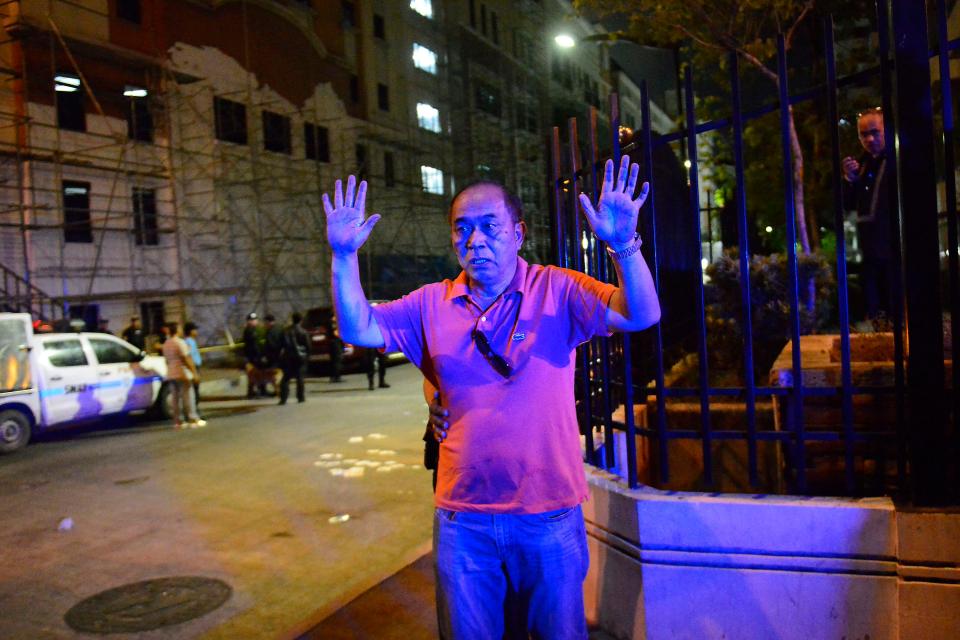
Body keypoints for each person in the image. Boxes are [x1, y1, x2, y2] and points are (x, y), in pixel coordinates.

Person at [322, 159, 660, 640]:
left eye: (489, 227)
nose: (475, 240)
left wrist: (623, 243)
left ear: (518, 234)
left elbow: (641, 314)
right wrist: (342, 257)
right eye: (462, 230)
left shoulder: (558, 289)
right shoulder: (429, 303)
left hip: (549, 513)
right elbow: (357, 328)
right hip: (464, 521)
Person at [842, 107, 893, 320]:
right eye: (864, 134)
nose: (870, 139)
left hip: (891, 247)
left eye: (875, 132)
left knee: (894, 304)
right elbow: (847, 209)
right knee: (872, 309)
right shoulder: (859, 165)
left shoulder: (896, 159)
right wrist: (849, 180)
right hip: (865, 249)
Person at [162, 322, 205, 429]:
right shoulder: (180, 342)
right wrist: (194, 373)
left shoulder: (166, 343)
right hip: (182, 373)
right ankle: (192, 418)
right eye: (179, 328)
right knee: (188, 396)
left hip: (171, 373)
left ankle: (178, 421)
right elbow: (186, 358)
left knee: (175, 398)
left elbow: (167, 360)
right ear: (176, 330)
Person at [278, 312, 310, 404]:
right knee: (300, 377)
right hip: (300, 357)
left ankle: (283, 398)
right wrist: (307, 356)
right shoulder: (303, 332)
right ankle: (300, 397)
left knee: (286, 378)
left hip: (288, 357)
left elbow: (281, 344)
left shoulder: (286, 331)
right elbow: (308, 346)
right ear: (300, 320)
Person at [242, 312, 267, 398]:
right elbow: (253, 345)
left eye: (255, 320)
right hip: (252, 357)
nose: (253, 321)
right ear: (248, 321)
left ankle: (261, 390)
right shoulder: (249, 331)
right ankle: (253, 392)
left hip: (257, 356)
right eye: (251, 320)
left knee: (260, 374)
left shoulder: (258, 330)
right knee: (253, 374)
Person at [183, 322, 203, 416]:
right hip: (193, 367)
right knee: (195, 389)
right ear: (190, 331)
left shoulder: (191, 340)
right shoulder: (188, 341)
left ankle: (195, 409)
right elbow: (189, 355)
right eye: (195, 329)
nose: (196, 331)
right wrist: (193, 370)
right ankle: (194, 410)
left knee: (196, 389)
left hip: (196, 366)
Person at [328, 317, 344, 383]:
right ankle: (337, 376)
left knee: (334, 360)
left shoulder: (331, 321)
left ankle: (333, 376)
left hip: (333, 342)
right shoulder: (335, 321)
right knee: (337, 360)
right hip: (336, 342)